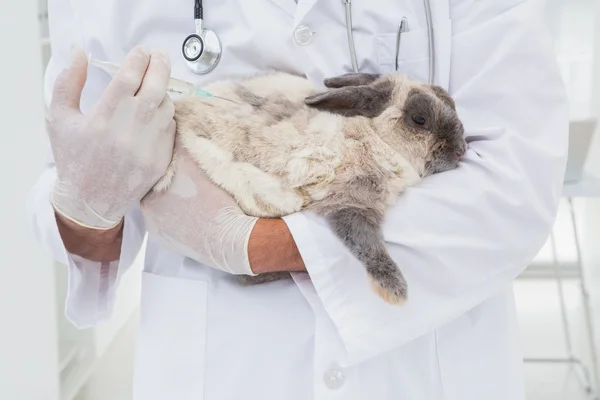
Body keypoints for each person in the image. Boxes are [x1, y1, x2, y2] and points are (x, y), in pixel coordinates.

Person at [28, 0, 569, 399]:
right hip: (227, 371)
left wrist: (254, 244)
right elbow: (79, 214)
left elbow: (516, 178)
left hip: (420, 367)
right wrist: (88, 204)